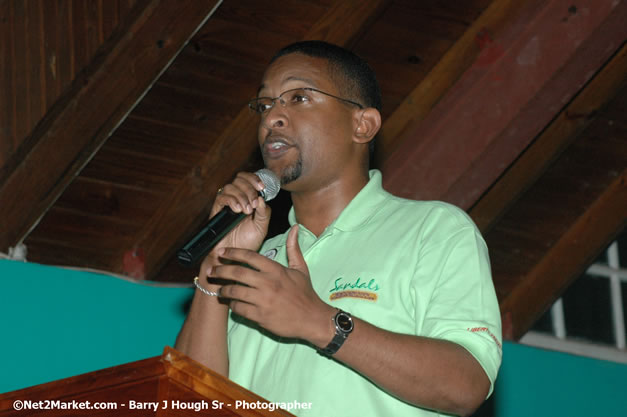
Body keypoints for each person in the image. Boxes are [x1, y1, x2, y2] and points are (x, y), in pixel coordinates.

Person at [175, 41, 502, 417]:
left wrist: (318, 321)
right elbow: (186, 404)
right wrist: (216, 264)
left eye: (298, 98)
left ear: (362, 125)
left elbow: (465, 385)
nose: (271, 119)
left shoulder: (433, 229)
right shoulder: (252, 261)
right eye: (265, 105)